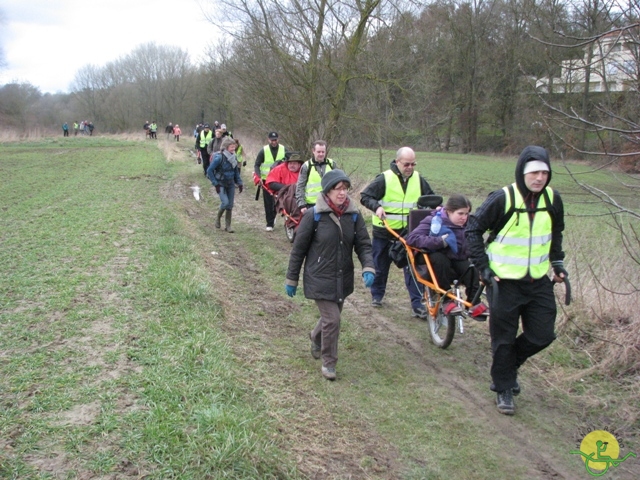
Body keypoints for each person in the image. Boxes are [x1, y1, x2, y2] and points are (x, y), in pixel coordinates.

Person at [465, 145, 567, 415]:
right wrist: (483, 267)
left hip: (538, 281)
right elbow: (473, 229)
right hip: (504, 282)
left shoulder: (553, 200)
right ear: (522, 172)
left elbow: (555, 235)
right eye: (534, 172)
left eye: (544, 173)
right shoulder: (503, 198)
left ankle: (508, 367)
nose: (539, 178)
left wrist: (557, 262)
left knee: (543, 334)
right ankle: (504, 388)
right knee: (503, 339)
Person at [285, 169, 375, 381]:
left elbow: (363, 244)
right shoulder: (313, 215)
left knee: (331, 319)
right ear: (327, 191)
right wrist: (292, 279)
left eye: (345, 189)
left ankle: (315, 337)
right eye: (338, 189)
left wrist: (368, 267)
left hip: (342, 277)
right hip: (318, 276)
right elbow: (298, 249)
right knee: (333, 319)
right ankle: (329, 363)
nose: (342, 193)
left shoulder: (353, 215)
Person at [360, 147, 436, 318]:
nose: (410, 167)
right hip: (385, 231)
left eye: (413, 164)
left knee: (413, 268)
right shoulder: (384, 179)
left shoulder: (418, 179)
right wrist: (377, 207)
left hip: (409, 233)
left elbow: (431, 197)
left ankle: (418, 304)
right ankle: (377, 296)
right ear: (397, 162)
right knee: (380, 266)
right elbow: (365, 196)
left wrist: (436, 207)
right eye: (406, 164)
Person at [405, 194, 485, 316]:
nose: (464, 218)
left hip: (456, 258)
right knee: (440, 259)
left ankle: (474, 303)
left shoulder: (468, 225)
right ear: (449, 211)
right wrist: (439, 242)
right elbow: (412, 238)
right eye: (460, 214)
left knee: (471, 268)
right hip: (431, 260)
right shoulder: (434, 220)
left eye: (467, 214)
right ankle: (446, 300)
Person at [207, 136, 244, 233]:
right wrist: (215, 184)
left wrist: (239, 183)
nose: (233, 149)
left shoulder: (234, 157)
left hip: (231, 183)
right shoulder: (219, 158)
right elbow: (209, 171)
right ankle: (218, 219)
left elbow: (236, 172)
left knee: (230, 205)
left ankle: (228, 226)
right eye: (232, 147)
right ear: (226, 147)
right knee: (225, 203)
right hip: (221, 184)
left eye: (234, 147)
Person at [254, 131, 287, 231]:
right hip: (266, 181)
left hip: (279, 181)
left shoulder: (284, 149)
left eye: (275, 140)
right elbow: (257, 165)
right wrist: (258, 177)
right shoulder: (263, 151)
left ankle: (274, 216)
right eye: (272, 140)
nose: (274, 142)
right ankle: (269, 223)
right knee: (268, 203)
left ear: (278, 139)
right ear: (268, 140)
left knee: (278, 201)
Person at [295, 140, 336, 214]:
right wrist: (302, 205)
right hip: (311, 205)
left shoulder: (331, 164)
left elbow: (338, 183)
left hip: (330, 203)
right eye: (318, 152)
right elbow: (300, 186)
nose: (321, 154)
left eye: (323, 152)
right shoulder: (306, 166)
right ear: (313, 151)